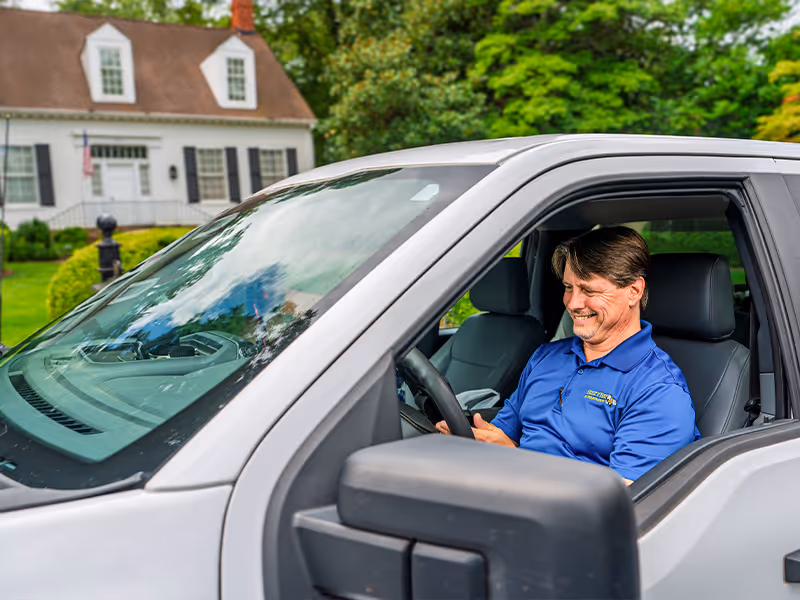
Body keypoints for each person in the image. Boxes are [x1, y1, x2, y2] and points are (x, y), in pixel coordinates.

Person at [436, 226, 701, 484]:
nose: (573, 303)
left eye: (589, 290)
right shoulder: (546, 357)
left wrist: (515, 461)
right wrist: (475, 440)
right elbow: (506, 434)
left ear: (634, 291)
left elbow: (625, 504)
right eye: (568, 287)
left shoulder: (658, 389)